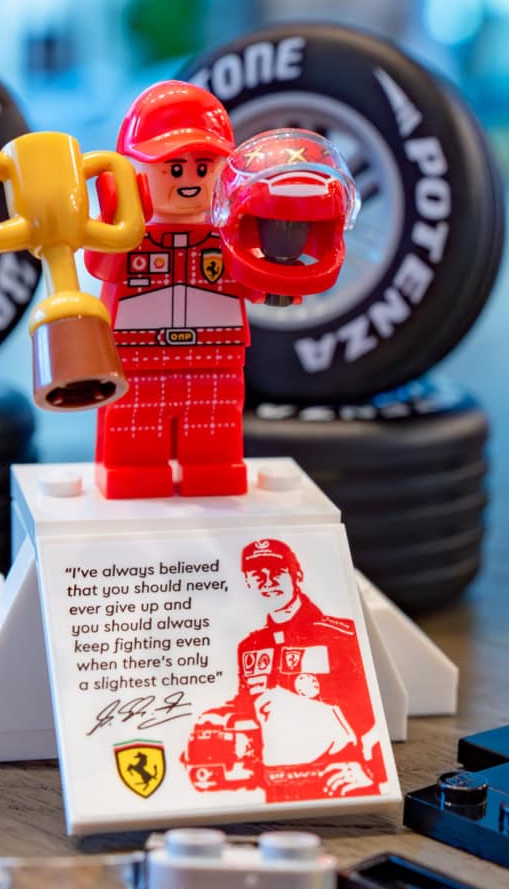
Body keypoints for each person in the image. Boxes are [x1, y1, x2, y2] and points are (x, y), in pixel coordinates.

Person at [84, 81, 271, 500]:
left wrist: (278, 258)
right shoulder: (124, 235)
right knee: (135, 425)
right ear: (131, 170)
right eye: (172, 167)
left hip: (217, 354)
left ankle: (212, 470)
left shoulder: (233, 236)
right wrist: (117, 220)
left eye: (203, 168)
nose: (189, 181)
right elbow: (102, 268)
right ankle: (133, 471)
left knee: (214, 425)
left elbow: (259, 286)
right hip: (137, 355)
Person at [188, 538, 384, 801]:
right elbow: (250, 704)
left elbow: (368, 710)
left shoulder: (340, 634)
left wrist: (371, 771)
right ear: (247, 582)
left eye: (277, 572)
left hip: (339, 775)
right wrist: (216, 716)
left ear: (297, 575)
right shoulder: (250, 645)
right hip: (276, 780)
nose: (267, 581)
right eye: (257, 575)